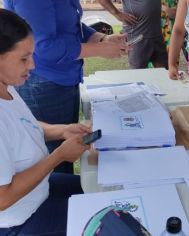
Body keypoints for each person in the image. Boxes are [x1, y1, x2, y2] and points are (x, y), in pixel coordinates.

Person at [4, 0, 130, 173]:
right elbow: (45, 47)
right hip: (44, 84)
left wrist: (101, 39)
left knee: (68, 143)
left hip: (65, 77)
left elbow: (70, 25)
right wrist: (99, 50)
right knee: (54, 160)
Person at [0, 9, 91, 235]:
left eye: (31, 55)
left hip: (40, 190)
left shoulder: (7, 86)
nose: (32, 65)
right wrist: (58, 156)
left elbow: (24, 125)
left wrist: (61, 131)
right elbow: (3, 197)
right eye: (23, 58)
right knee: (105, 217)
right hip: (21, 218)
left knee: (103, 190)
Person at [98, 0, 169, 69]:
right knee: (138, 74)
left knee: (163, 73)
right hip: (137, 36)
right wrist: (117, 14)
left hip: (157, 34)